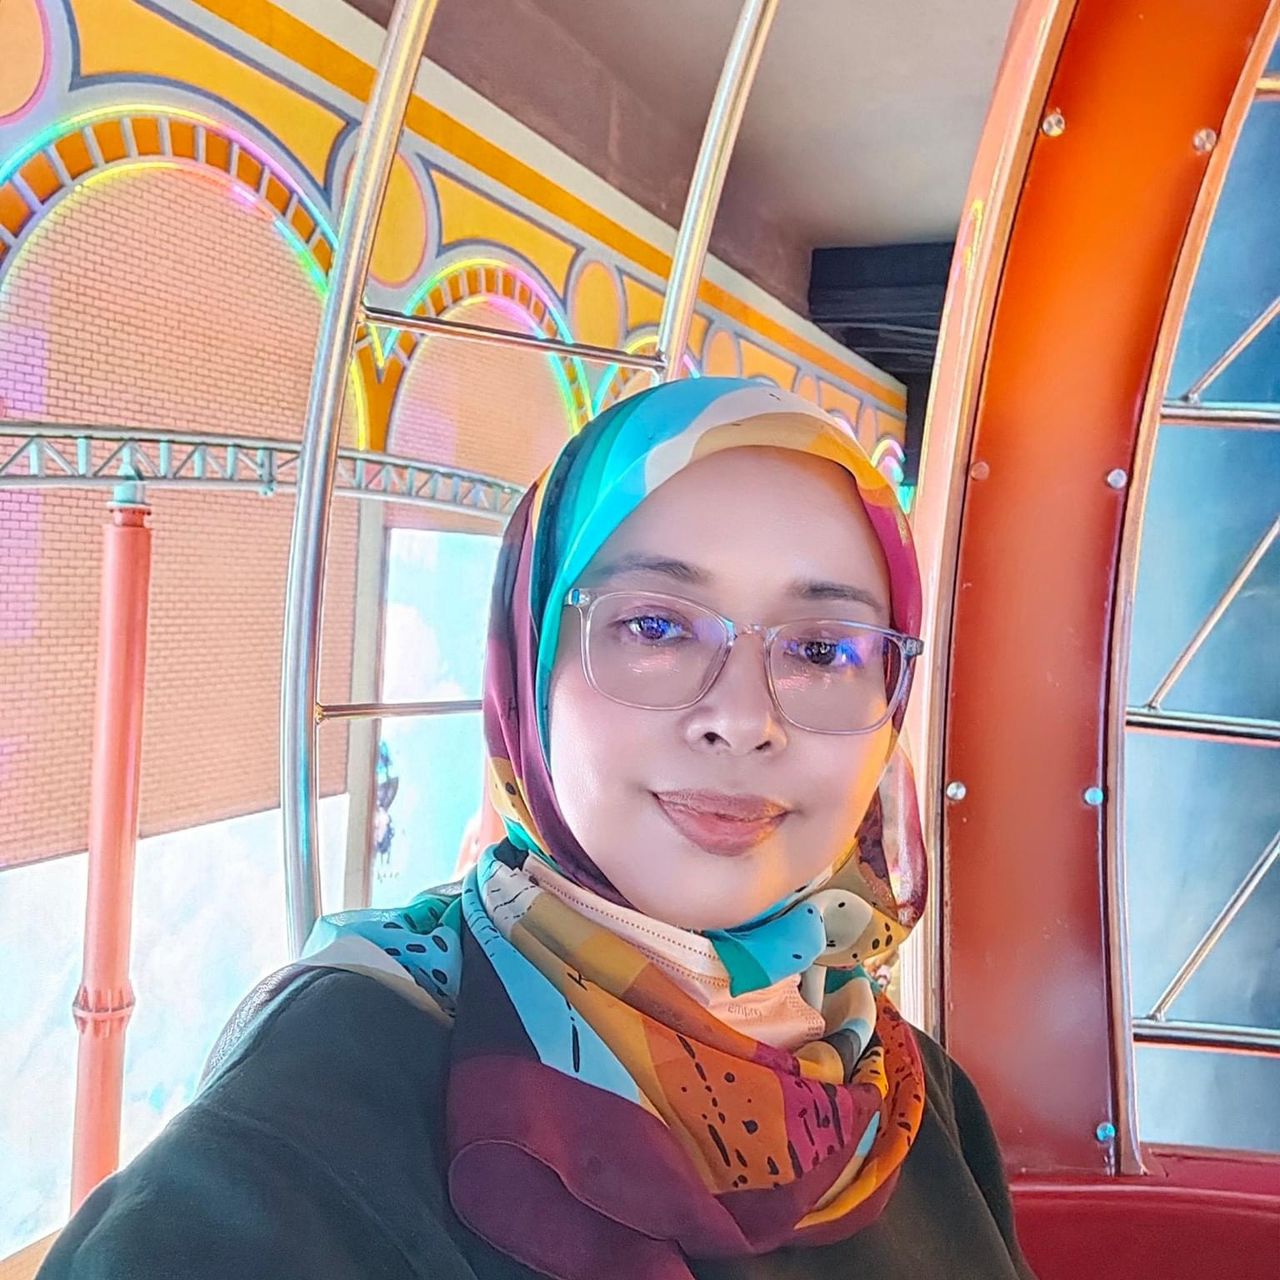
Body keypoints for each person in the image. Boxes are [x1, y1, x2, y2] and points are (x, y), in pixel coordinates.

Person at [40, 379, 1035, 1279]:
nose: (741, 718)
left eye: (820, 650)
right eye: (655, 626)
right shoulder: (311, 1128)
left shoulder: (915, 1100)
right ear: (529, 666)